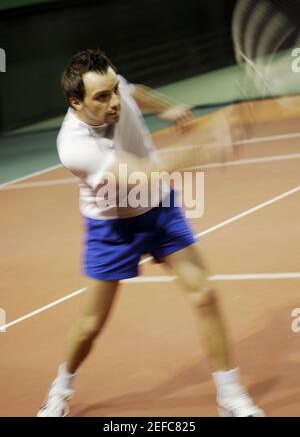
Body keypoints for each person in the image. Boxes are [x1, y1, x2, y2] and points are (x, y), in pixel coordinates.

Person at [37, 49, 264, 418]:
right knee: (91, 325)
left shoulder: (115, 87)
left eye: (113, 90)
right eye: (102, 97)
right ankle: (61, 386)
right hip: (111, 226)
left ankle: (230, 394)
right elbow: (141, 176)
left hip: (158, 211)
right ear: (75, 103)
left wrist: (167, 107)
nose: (114, 102)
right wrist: (206, 147)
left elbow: (133, 89)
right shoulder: (74, 146)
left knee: (204, 295)